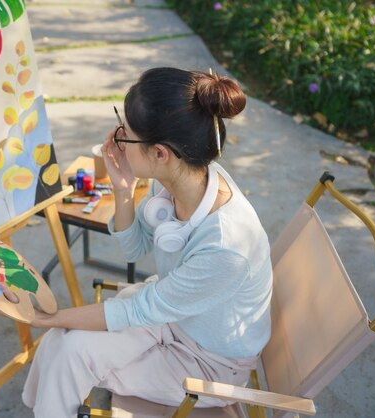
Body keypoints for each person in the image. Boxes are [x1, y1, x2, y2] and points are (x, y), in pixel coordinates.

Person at [19, 67, 273, 418]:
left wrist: (51, 317)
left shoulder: (225, 246)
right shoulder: (178, 181)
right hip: (172, 318)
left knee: (69, 352)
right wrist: (123, 190)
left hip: (208, 364)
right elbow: (134, 249)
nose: (117, 139)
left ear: (160, 153)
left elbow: (137, 310)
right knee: (62, 342)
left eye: (127, 134)